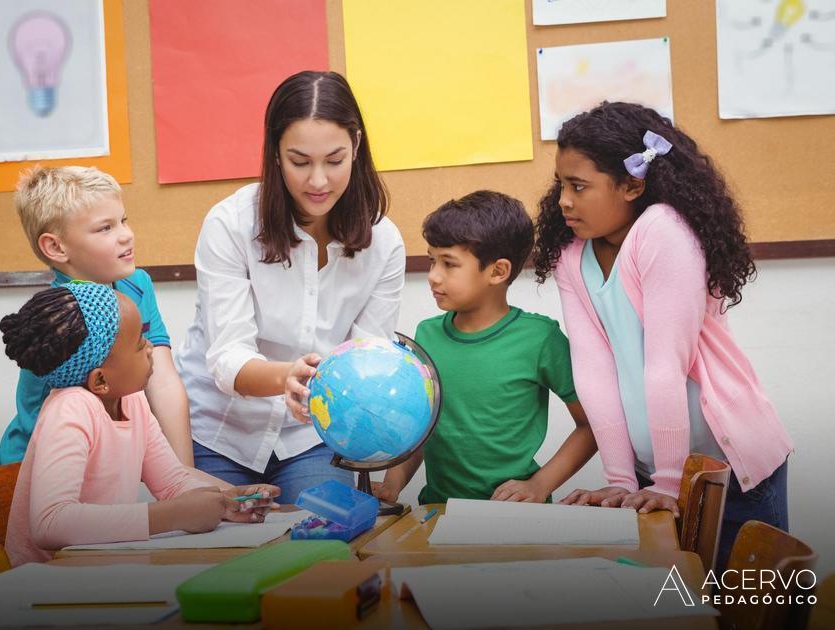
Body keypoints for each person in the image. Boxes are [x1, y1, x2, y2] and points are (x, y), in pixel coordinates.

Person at [534, 102, 792, 570]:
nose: (564, 201)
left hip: (730, 465)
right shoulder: (573, 257)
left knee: (747, 606)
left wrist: (670, 481)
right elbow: (595, 372)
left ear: (633, 184)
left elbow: (664, 365)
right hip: (653, 475)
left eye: (578, 186)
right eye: (561, 186)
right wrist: (622, 481)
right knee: (678, 603)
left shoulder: (662, 231)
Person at [175, 71, 406, 503]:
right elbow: (227, 359)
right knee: (222, 560)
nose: (317, 181)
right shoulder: (230, 224)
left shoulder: (384, 242)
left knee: (322, 549)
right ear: (275, 155)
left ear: (356, 145)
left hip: (310, 436)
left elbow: (369, 357)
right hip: (220, 432)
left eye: (334, 160)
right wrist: (289, 377)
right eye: (300, 162)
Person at [1, 283, 278, 566]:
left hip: (99, 567)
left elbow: (172, 483)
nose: (149, 349)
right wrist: (172, 515)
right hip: (45, 584)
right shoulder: (69, 409)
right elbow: (50, 523)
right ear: (100, 381)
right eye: (138, 344)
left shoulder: (132, 399)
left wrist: (223, 501)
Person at [374, 191, 596, 505]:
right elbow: (421, 428)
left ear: (497, 271)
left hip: (515, 517)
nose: (433, 276)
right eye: (432, 259)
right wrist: (391, 485)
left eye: (449, 264)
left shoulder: (540, 338)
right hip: (438, 510)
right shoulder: (427, 335)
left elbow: (592, 425)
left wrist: (539, 484)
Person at [0, 166, 202, 479]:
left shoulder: (136, 284)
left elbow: (162, 379)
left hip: (96, 470)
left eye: (123, 221)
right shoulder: (59, 318)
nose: (126, 234)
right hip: (29, 471)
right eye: (105, 228)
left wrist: (186, 474)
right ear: (56, 247)